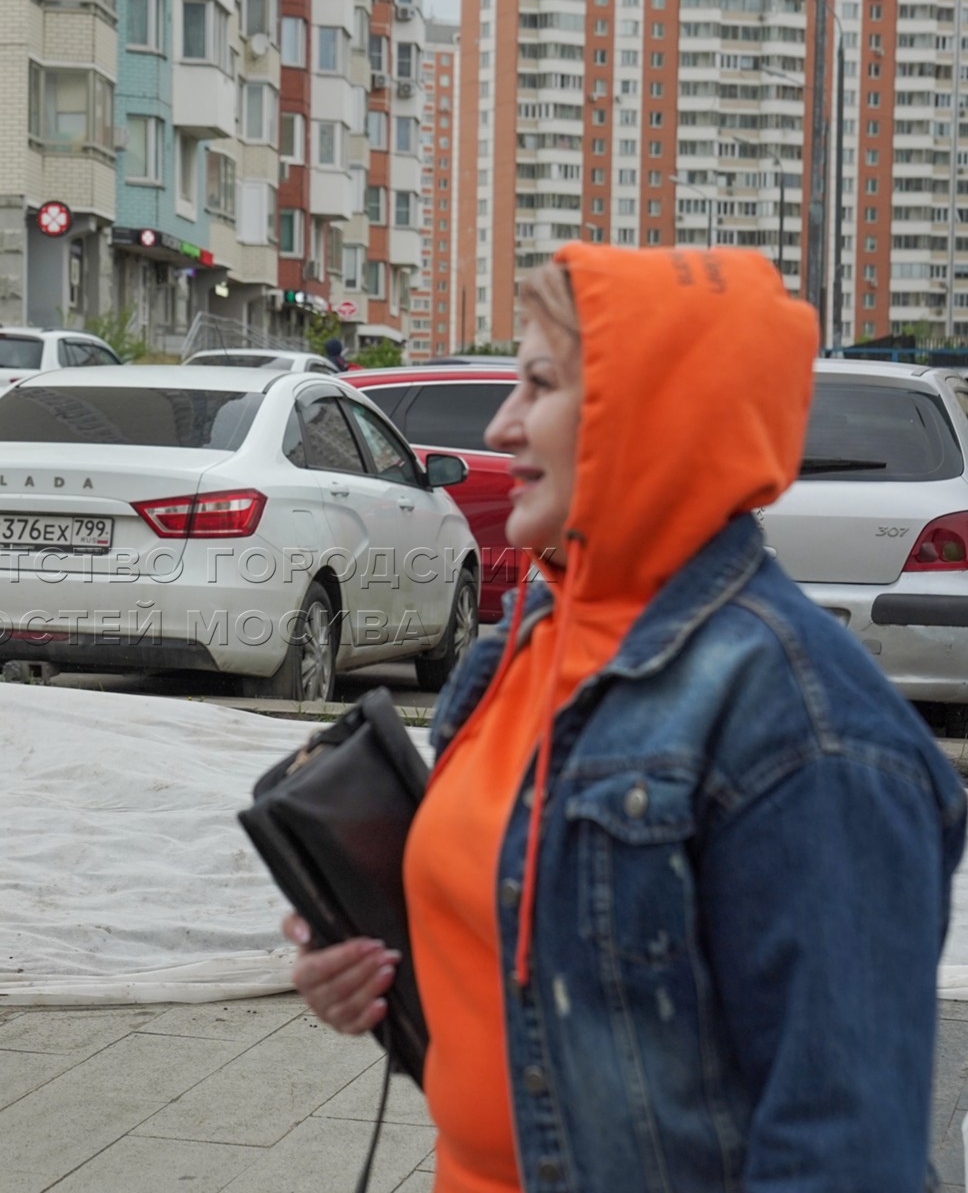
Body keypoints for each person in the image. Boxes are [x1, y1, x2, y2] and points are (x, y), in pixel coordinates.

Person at [284, 244, 965, 1191]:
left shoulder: (812, 733)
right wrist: (377, 981)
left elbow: (841, 1157)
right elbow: (544, 996)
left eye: (540, 385)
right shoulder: (507, 661)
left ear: (653, 417)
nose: (502, 423)